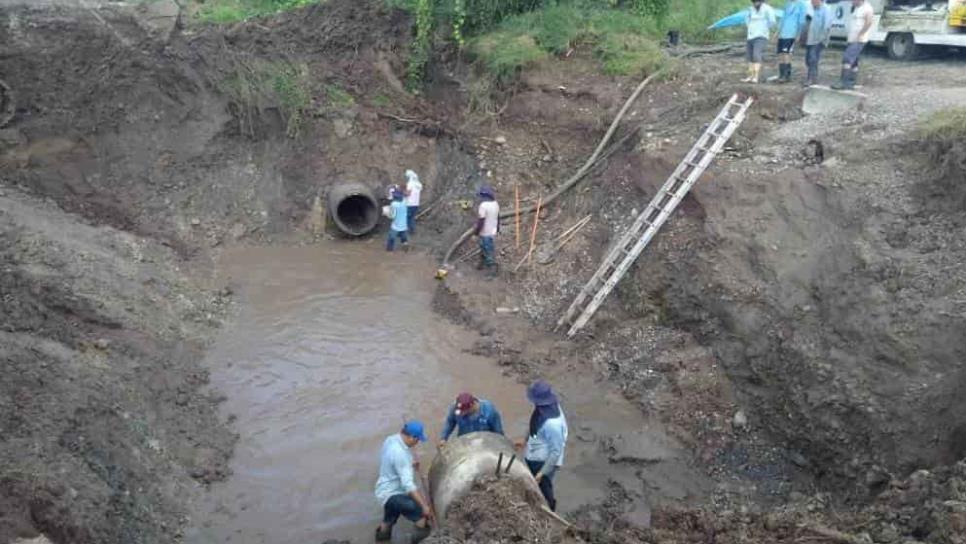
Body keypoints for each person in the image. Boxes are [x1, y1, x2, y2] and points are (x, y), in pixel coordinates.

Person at [374, 420, 434, 543]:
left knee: (387, 521)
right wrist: (425, 506)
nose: (417, 442)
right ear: (411, 437)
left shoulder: (391, 439)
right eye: (417, 439)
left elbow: (390, 460)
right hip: (394, 494)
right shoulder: (401, 454)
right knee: (422, 517)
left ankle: (381, 540)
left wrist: (409, 464)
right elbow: (409, 486)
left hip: (383, 491)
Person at [519, 380, 568, 512]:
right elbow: (534, 422)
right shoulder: (544, 408)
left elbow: (555, 452)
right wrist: (525, 440)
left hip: (543, 462)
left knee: (545, 488)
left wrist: (541, 473)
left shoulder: (553, 425)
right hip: (535, 452)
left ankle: (550, 509)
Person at [832, 0, 874, 90]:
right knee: (854, 61)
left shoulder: (867, 8)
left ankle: (843, 82)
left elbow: (869, 22)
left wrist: (861, 34)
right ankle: (851, 82)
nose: (851, 2)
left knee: (847, 58)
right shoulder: (856, 8)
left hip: (859, 40)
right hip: (851, 38)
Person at [438, 392, 505, 447]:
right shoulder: (455, 407)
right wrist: (443, 438)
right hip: (465, 440)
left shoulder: (489, 410)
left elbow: (498, 432)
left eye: (464, 412)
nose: (461, 414)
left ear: (472, 405)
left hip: (485, 441)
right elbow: (450, 422)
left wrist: (501, 445)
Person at [742, 0, 777, 83]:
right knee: (749, 56)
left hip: (761, 36)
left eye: (757, 1)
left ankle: (756, 77)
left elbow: (772, 21)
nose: (755, 3)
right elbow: (746, 20)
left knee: (756, 54)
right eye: (754, 2)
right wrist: (750, 27)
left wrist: (764, 28)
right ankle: (750, 76)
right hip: (750, 35)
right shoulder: (750, 9)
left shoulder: (768, 9)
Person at [775, 0, 808, 83]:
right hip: (783, 34)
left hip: (791, 34)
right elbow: (782, 19)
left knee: (787, 54)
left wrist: (798, 34)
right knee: (780, 54)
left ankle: (787, 75)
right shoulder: (787, 3)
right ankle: (781, 74)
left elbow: (801, 22)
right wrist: (777, 32)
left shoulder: (801, 5)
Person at [803, 0, 833, 86]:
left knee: (813, 58)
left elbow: (827, 26)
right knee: (808, 59)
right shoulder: (814, 9)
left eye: (813, 1)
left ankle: (811, 79)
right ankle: (814, 77)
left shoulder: (826, 9)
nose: (811, 2)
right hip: (811, 38)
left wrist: (822, 39)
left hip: (819, 39)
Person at [475, 186, 500, 277]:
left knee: (487, 249)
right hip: (493, 231)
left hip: (485, 231)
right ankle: (481, 263)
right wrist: (497, 228)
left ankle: (493, 269)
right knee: (484, 247)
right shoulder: (495, 204)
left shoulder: (483, 206)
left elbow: (481, 220)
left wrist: (477, 231)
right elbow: (498, 218)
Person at [403, 169, 423, 234]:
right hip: (416, 204)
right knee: (412, 217)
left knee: (407, 217)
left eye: (407, 177)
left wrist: (402, 192)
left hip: (410, 204)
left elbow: (408, 194)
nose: (406, 178)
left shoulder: (410, 184)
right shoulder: (418, 184)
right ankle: (412, 230)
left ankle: (408, 230)